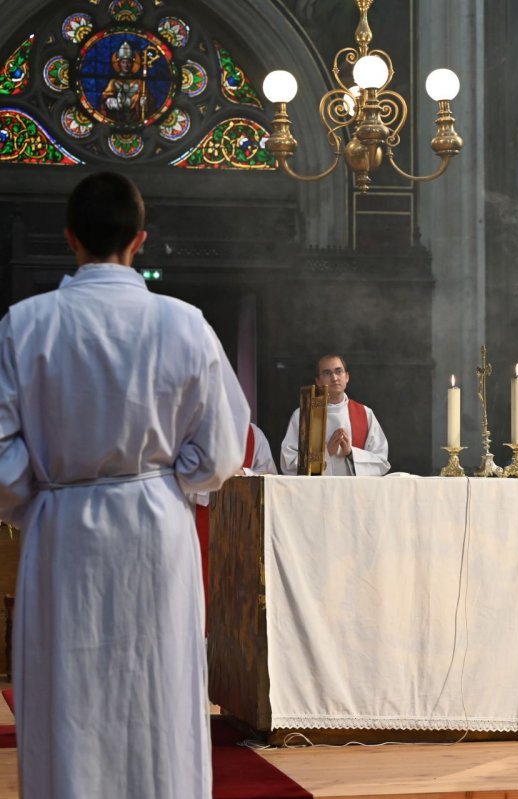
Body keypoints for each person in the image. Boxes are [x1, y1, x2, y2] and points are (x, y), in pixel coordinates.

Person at [4, 172, 250, 798]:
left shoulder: (25, 325)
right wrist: (170, 480)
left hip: (62, 534)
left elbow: (1, 455)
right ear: (140, 240)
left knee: (68, 698)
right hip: (154, 527)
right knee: (157, 692)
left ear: (70, 239)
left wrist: (41, 500)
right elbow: (223, 449)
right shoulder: (185, 323)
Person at [193, 422, 277, 610]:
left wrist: (242, 473)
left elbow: (270, 478)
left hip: (244, 523)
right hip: (198, 520)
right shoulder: (194, 429)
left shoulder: (254, 434)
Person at [279, 354, 389, 476]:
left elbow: (381, 461)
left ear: (347, 377)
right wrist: (326, 454)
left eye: (339, 371)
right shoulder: (304, 415)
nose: (334, 378)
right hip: (317, 492)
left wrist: (351, 453)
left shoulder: (365, 413)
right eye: (327, 373)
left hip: (354, 492)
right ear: (318, 381)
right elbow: (288, 463)